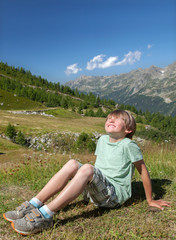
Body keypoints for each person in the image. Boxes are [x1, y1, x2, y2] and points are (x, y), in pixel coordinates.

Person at [3, 110, 170, 235]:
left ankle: (45, 216)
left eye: (118, 119)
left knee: (88, 168)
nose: (111, 119)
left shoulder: (128, 145)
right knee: (72, 163)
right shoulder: (103, 140)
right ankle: (33, 204)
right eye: (109, 118)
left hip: (114, 196)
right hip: (96, 192)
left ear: (129, 129)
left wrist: (150, 200)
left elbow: (143, 171)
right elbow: (100, 167)